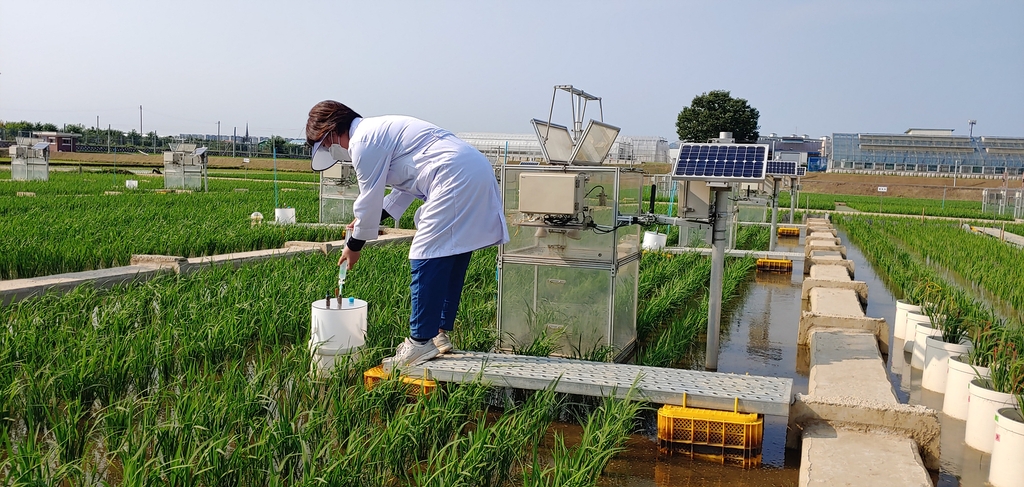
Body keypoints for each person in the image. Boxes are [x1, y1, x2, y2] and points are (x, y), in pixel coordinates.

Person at [306, 100, 508, 372]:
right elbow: (403, 188)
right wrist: (370, 220)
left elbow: (368, 198)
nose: (332, 150)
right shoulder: (379, 132)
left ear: (330, 131)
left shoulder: (363, 141)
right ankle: (437, 333)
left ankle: (419, 342)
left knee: (425, 254)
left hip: (452, 175)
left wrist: (354, 245)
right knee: (453, 251)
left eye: (326, 144)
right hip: (472, 169)